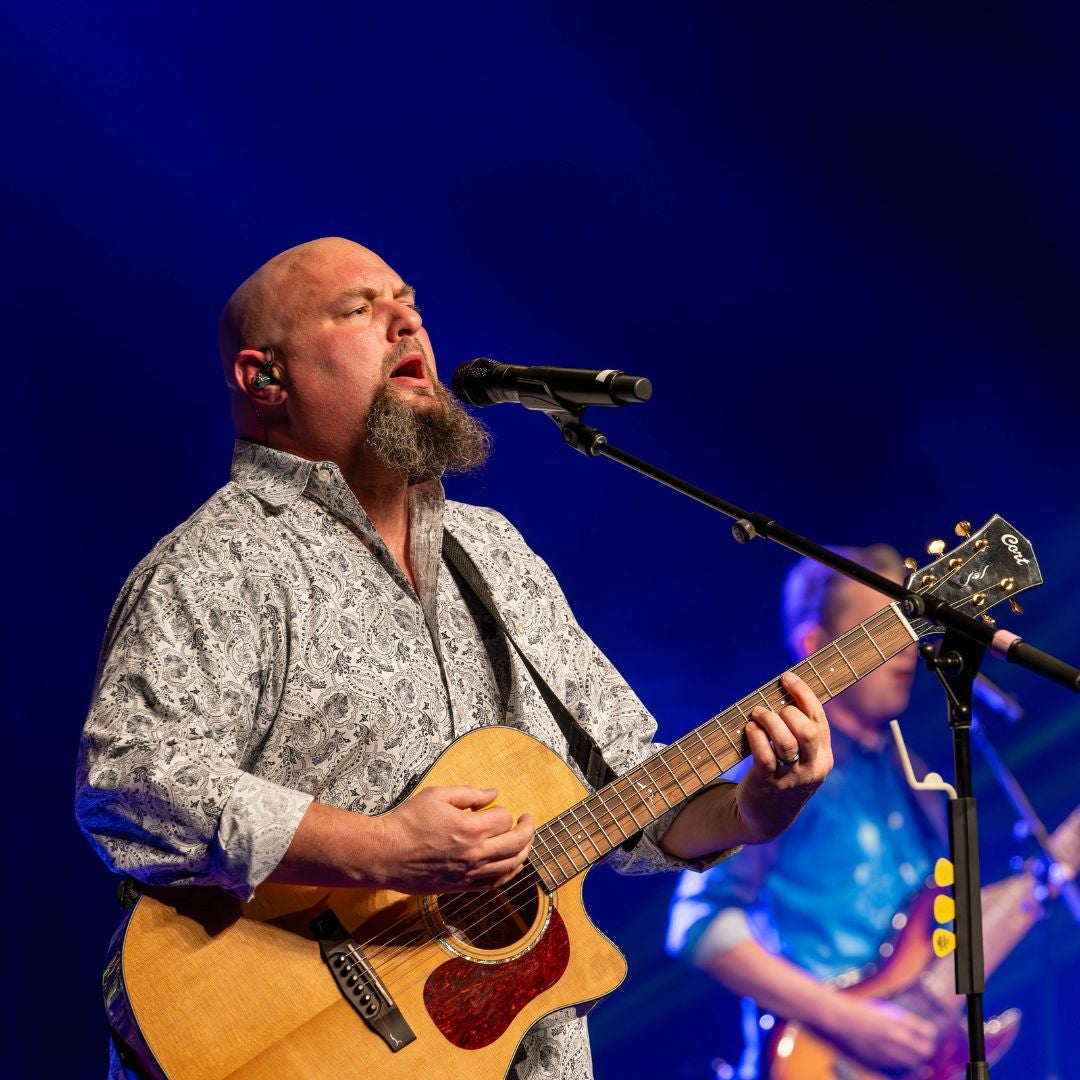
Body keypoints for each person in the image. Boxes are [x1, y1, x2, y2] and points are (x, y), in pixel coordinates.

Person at [75, 236, 833, 1080]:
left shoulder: (495, 552)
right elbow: (131, 780)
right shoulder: (219, 562)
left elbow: (630, 794)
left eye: (410, 303)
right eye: (360, 310)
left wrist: (750, 813)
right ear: (265, 378)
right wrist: (381, 850)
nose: (407, 323)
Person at [666, 545, 948, 1077]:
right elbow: (696, 921)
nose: (907, 651)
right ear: (817, 648)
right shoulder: (772, 772)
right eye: (882, 632)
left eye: (908, 632)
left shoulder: (923, 782)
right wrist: (846, 1019)